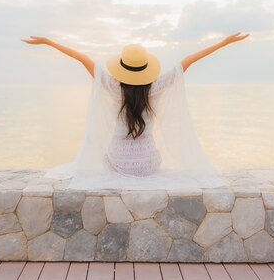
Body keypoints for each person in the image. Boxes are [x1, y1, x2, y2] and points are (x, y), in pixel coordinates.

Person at [21, 33, 250, 190]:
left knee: (104, 155)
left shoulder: (111, 86)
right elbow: (188, 61)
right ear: (146, 68)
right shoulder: (157, 87)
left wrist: (48, 42)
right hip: (150, 165)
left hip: (119, 164)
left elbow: (83, 58)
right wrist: (224, 42)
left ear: (122, 67)